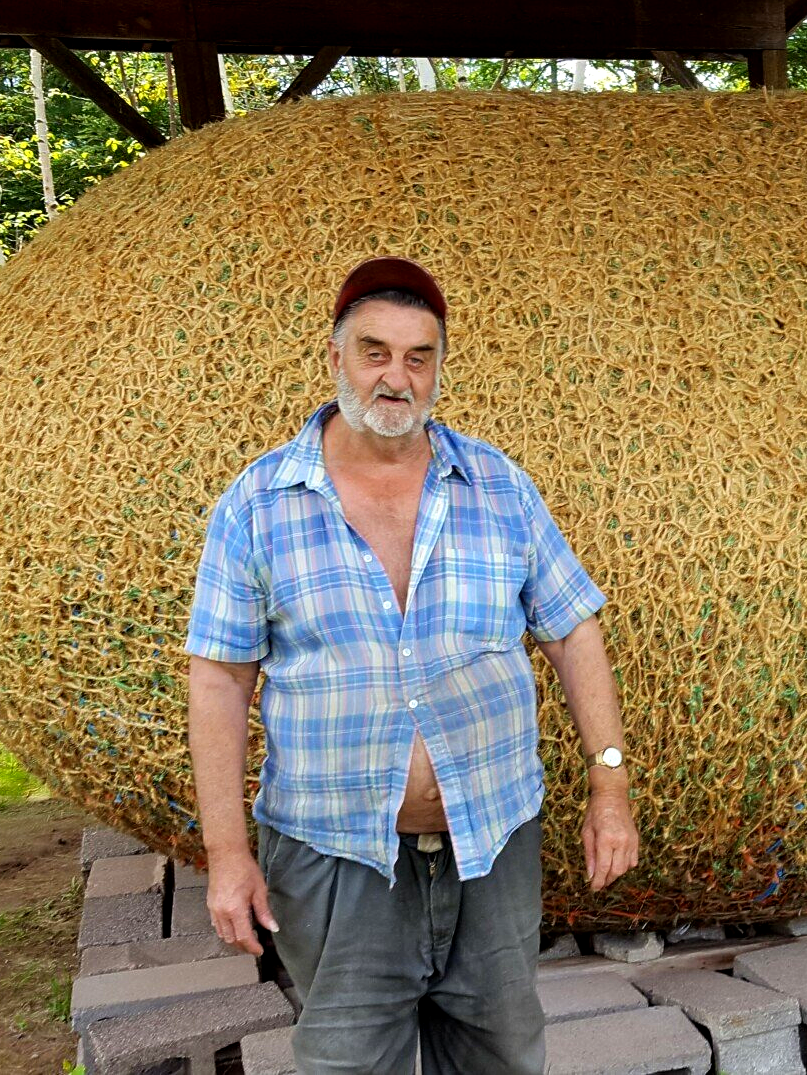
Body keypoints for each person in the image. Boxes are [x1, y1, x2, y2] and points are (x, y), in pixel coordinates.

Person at [185, 256, 638, 1074]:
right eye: (375, 352)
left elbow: (574, 633)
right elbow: (220, 678)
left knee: (502, 1058)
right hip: (334, 857)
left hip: (492, 844)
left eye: (418, 356)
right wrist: (227, 855)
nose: (397, 377)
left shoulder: (498, 486)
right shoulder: (258, 503)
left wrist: (610, 788)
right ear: (336, 359)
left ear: (438, 368)